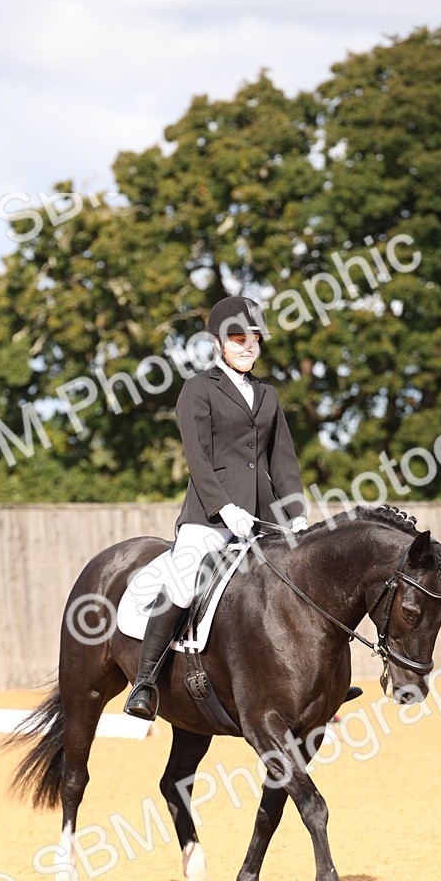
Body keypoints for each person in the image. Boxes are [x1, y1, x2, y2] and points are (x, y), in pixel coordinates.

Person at [123, 295, 308, 719]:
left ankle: (314, 680)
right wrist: (225, 508)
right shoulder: (199, 389)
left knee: (301, 579)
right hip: (209, 517)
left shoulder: (267, 394)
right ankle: (145, 683)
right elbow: (197, 458)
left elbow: (282, 459)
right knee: (185, 580)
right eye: (238, 338)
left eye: (254, 339)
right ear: (218, 342)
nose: (248, 346)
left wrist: (295, 511)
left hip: (263, 518)